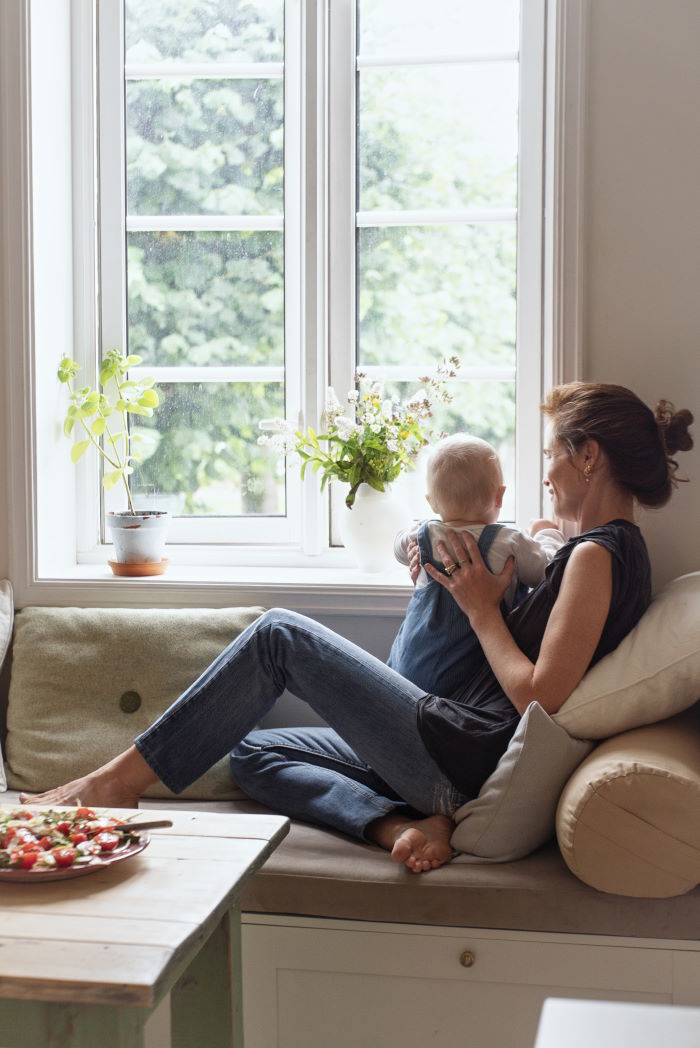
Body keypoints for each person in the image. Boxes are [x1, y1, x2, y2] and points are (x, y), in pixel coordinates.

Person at [23, 384, 694, 875]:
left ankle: (117, 783)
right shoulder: (596, 551)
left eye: (552, 453)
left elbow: (539, 696)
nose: (545, 474)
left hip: (461, 751)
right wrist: (539, 550)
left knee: (280, 635)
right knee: (252, 754)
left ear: (589, 457)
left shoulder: (600, 555)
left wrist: (482, 609)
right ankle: (401, 825)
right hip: (447, 751)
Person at [387, 433, 565, 696]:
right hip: (464, 686)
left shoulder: (423, 534)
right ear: (500, 496)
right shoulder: (508, 543)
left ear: (431, 502)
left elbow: (399, 547)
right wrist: (546, 533)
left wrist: (413, 546)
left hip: (404, 672)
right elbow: (548, 571)